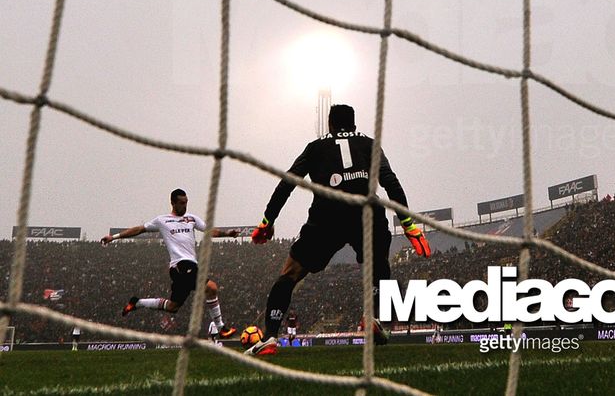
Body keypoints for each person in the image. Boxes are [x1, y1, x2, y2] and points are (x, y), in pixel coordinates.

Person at [245, 104, 431, 356]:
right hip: (366, 211)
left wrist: (267, 221)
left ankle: (269, 337)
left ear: (330, 124)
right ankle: (372, 317)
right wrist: (408, 224)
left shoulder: (315, 147)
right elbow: (390, 182)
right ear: (354, 125)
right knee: (378, 264)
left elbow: (287, 183)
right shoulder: (369, 144)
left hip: (327, 215)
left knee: (290, 273)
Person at [101, 189, 240, 338]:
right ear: (173, 203)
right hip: (180, 265)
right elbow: (140, 229)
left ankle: (137, 303)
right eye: (181, 203)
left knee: (173, 307)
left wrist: (228, 234)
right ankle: (221, 328)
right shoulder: (162, 220)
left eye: (186, 202)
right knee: (211, 287)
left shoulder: (192, 218)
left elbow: (210, 231)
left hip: (190, 266)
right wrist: (114, 237)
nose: (185, 206)